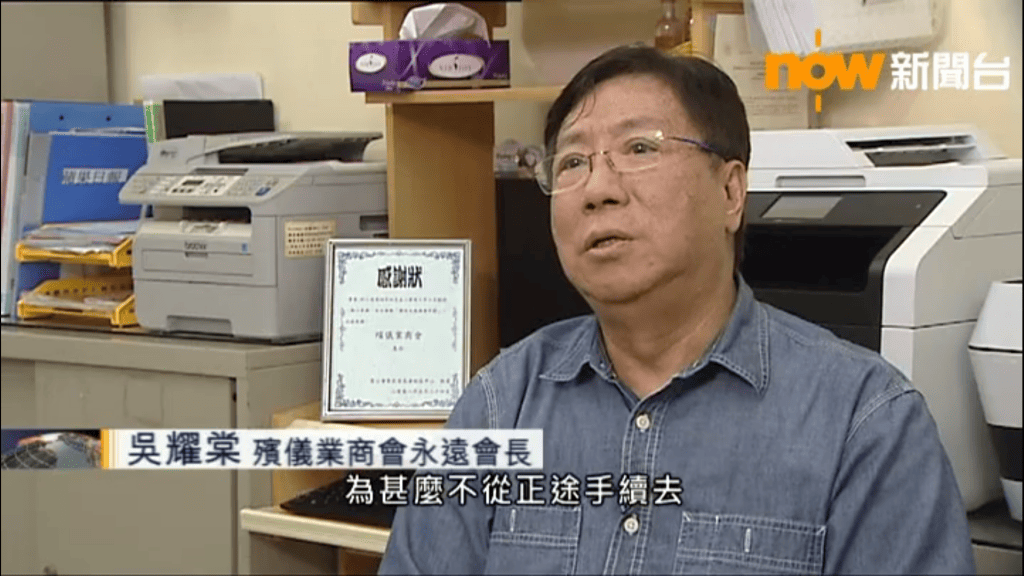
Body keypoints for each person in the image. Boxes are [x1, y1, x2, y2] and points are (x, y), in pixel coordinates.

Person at [379, 45, 974, 575]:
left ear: (731, 192)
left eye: (640, 148)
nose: (598, 189)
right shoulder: (500, 404)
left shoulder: (865, 425)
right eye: (572, 162)